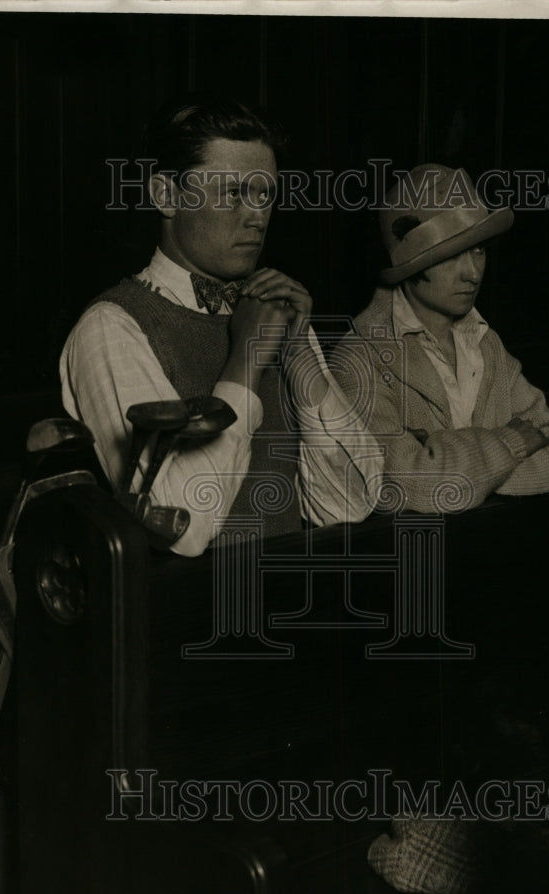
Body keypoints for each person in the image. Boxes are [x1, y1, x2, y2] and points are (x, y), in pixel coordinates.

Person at [60, 96, 382, 555]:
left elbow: (349, 505)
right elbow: (182, 530)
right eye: (233, 193)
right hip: (185, 616)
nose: (257, 216)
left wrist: (298, 355)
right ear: (167, 196)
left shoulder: (274, 309)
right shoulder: (111, 328)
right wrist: (245, 359)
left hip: (293, 599)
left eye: (265, 194)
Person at [330, 162, 549, 515]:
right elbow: (411, 485)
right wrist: (512, 442)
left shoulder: (486, 342)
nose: (473, 272)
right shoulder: (357, 358)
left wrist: (450, 465)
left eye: (479, 250)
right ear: (411, 263)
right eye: (452, 254)